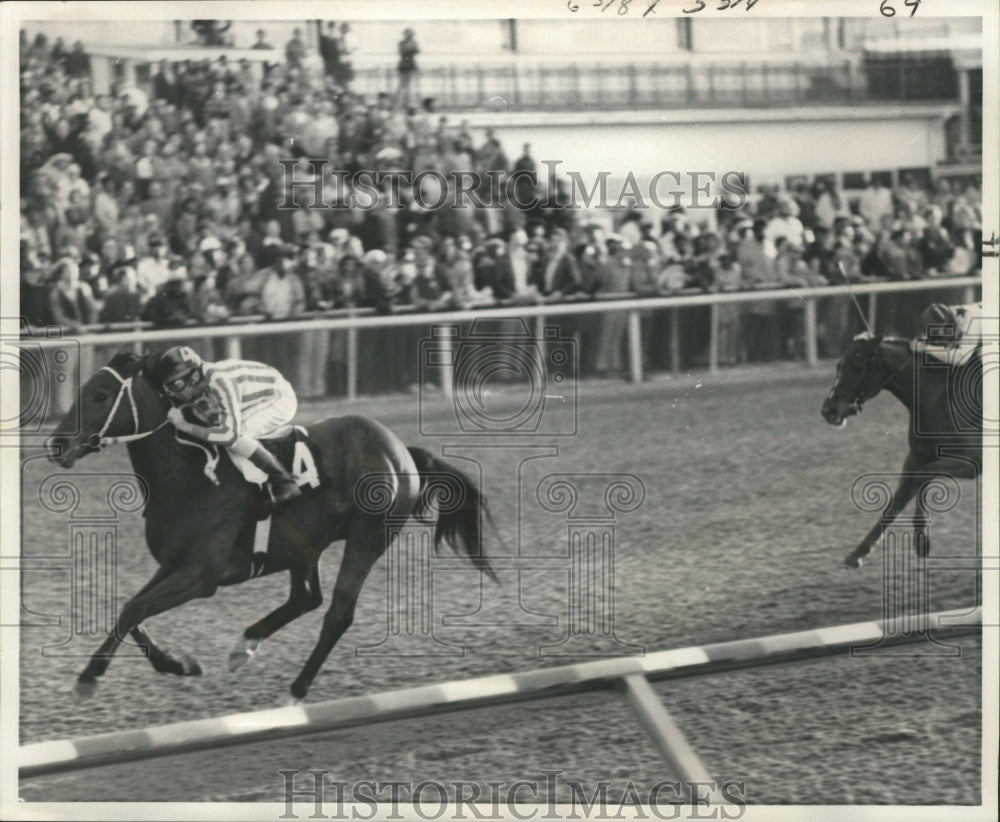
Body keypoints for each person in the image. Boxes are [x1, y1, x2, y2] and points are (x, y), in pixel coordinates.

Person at [150, 346, 302, 505]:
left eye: (176, 384)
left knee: (237, 436)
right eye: (167, 387)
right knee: (217, 430)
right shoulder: (202, 381)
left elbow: (228, 435)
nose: (172, 393)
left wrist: (186, 426)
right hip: (256, 396)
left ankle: (284, 483)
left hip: (278, 398)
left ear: (194, 377)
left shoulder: (218, 380)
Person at [397, 28, 419, 107]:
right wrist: (409, 50)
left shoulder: (414, 43)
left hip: (411, 64)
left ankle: (410, 103)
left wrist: (410, 50)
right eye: (407, 34)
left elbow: (417, 51)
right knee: (403, 85)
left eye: (410, 34)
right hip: (404, 65)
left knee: (410, 85)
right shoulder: (402, 43)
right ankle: (402, 103)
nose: (409, 35)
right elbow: (401, 51)